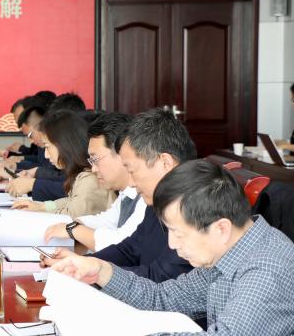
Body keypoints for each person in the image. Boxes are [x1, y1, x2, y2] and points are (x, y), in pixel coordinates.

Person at [52, 159, 294, 336]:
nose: (171, 244)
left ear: (221, 228)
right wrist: (100, 270)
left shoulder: (267, 271)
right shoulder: (230, 251)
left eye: (178, 233)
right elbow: (163, 298)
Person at [42, 108, 194, 283]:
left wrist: (97, 272)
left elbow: (159, 279)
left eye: (133, 170)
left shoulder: (194, 207)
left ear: (165, 163)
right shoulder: (158, 202)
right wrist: (84, 263)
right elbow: (129, 250)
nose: (131, 184)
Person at [43, 112, 145, 251]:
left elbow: (123, 243)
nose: (94, 169)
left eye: (96, 159)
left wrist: (74, 229)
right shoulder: (127, 193)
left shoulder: (146, 196)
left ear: (123, 153)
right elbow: (107, 220)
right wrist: (73, 225)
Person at [12, 110, 113, 217]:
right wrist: (42, 206)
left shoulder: (90, 179)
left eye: (47, 147)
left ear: (64, 144)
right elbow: (68, 201)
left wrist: (41, 209)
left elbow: (71, 216)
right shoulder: (81, 175)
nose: (46, 155)